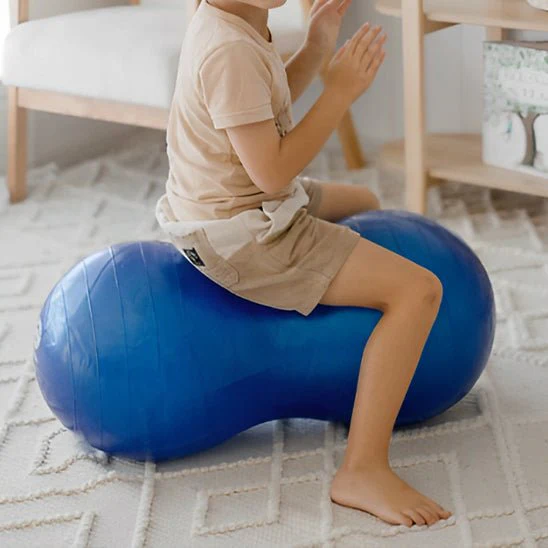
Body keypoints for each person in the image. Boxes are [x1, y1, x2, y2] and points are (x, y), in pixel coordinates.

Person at [156, 0, 452, 527]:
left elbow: (257, 113)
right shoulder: (227, 49)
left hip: (231, 201)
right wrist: (339, 93)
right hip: (247, 232)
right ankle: (362, 469)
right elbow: (272, 171)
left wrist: (316, 47)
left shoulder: (237, 19)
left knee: (365, 200)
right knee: (419, 291)